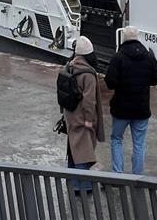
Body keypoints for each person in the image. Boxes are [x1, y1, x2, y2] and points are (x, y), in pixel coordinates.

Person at [104, 25, 157, 174]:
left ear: (124, 38)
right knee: (139, 144)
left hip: (121, 109)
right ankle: (137, 177)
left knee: (117, 139)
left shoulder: (118, 57)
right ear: (137, 37)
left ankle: (117, 175)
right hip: (141, 108)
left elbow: (110, 82)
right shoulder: (148, 55)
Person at [63, 36, 105, 196]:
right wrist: (89, 119)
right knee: (84, 151)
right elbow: (89, 100)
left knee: (73, 148)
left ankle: (73, 182)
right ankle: (85, 186)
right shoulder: (88, 73)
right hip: (82, 117)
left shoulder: (69, 66)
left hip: (70, 114)